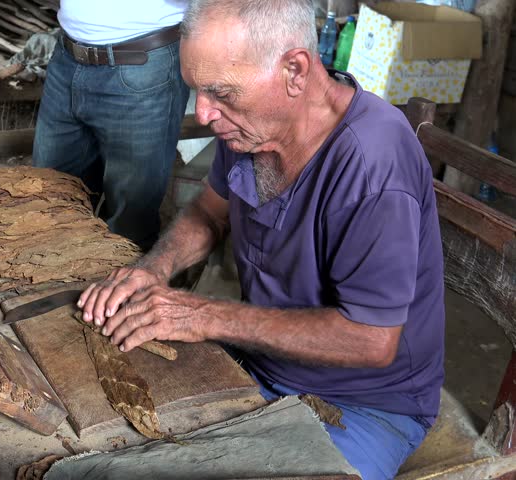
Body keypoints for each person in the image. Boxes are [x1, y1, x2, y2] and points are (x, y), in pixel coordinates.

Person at [77, 1, 445, 478]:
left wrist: (203, 314)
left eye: (221, 93)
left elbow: (372, 341)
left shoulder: (372, 162)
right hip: (261, 363)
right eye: (197, 91)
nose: (205, 113)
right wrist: (155, 269)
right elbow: (210, 213)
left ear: (295, 70)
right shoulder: (254, 129)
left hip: (364, 403)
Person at [33, 1, 191, 251]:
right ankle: (64, 286)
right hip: (67, 58)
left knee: (128, 227)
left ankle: (119, 289)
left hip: (142, 65)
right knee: (48, 203)